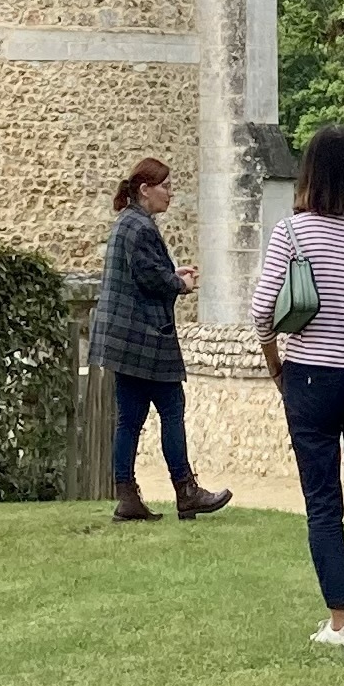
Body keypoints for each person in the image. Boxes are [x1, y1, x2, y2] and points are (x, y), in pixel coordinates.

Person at [260, 126, 344, 651]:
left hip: (311, 375)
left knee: (323, 500)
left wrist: (277, 368)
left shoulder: (293, 233)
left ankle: (340, 619)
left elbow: (262, 312)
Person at [91, 159, 230, 522]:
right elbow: (150, 278)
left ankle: (127, 497)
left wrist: (171, 274)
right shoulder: (140, 227)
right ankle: (186, 491)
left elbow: (146, 272)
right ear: (145, 189)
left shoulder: (129, 223)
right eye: (166, 186)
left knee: (129, 419)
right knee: (171, 408)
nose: (170, 193)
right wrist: (179, 283)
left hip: (125, 338)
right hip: (145, 338)